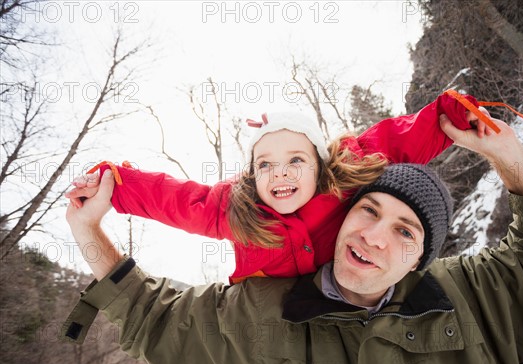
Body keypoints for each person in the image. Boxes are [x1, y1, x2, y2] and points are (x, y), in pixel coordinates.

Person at [62, 112, 523, 364]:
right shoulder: (249, 319)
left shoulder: (474, 302)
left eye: (406, 231)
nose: (376, 237)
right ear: (343, 214)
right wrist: (96, 218)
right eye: (369, 212)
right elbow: (148, 313)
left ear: (422, 259)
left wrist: (503, 151)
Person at [65, 91, 497, 283]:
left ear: (319, 164)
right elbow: (178, 200)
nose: (281, 173)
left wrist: (448, 117)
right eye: (266, 165)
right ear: (253, 176)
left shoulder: (343, 181)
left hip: (334, 298)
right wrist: (117, 185)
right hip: (264, 313)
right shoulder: (236, 210)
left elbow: (395, 141)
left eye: (295, 161)